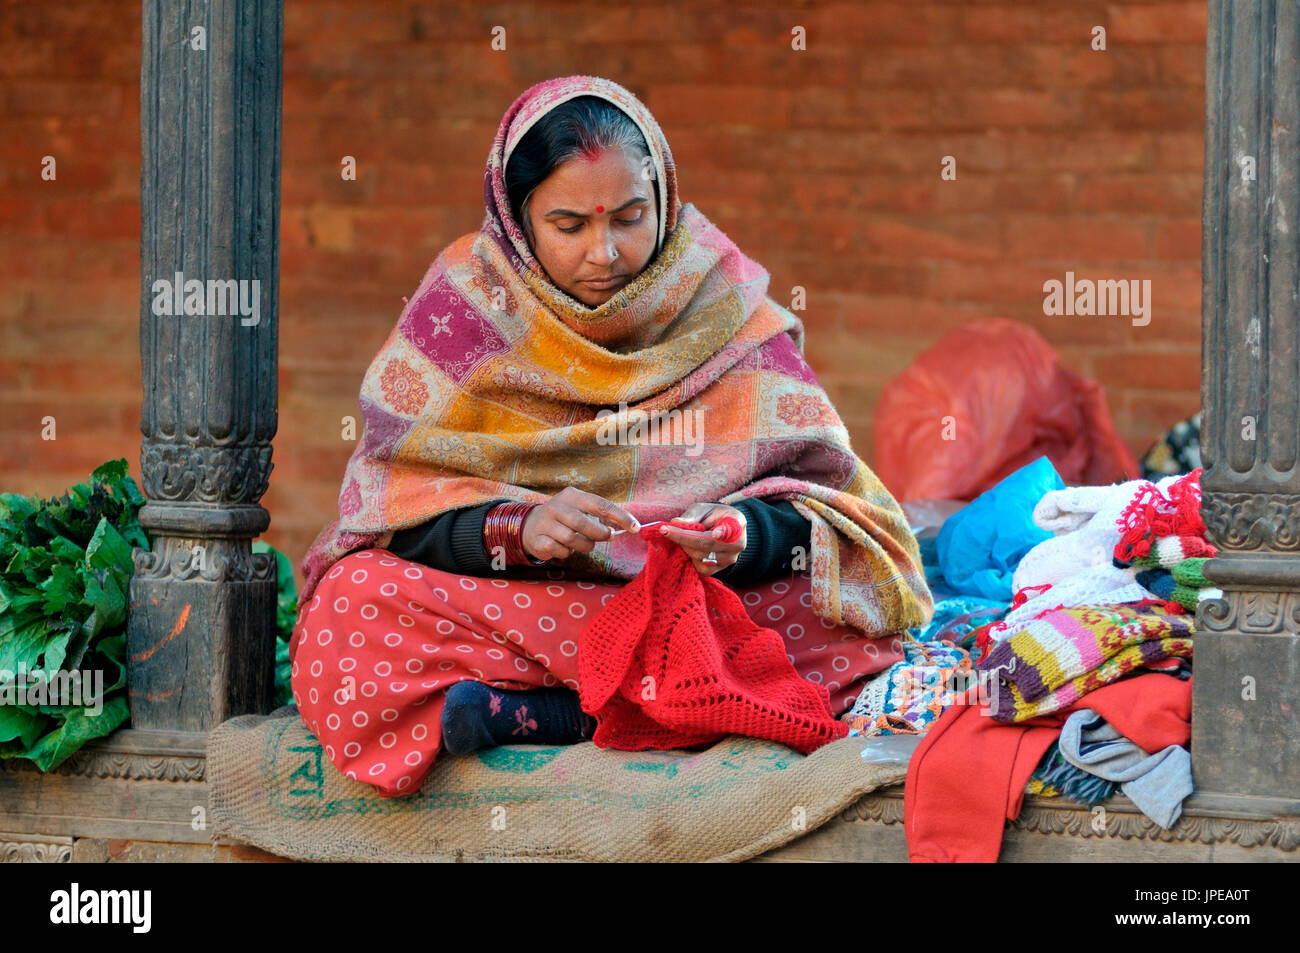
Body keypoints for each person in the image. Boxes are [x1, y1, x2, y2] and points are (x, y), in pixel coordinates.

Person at [291, 75, 934, 797]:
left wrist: (740, 534)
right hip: (529, 609)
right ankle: (644, 706)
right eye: (570, 226)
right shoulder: (467, 313)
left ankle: (551, 713)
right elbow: (394, 511)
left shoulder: (721, 305)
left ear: (663, 197)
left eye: (630, 217)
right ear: (516, 218)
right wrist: (517, 528)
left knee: (846, 625)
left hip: (695, 608)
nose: (606, 253)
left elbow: (839, 508)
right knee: (354, 600)